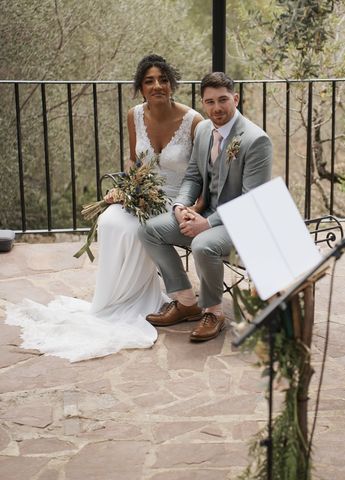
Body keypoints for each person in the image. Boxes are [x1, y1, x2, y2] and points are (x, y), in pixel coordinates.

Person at [6, 54, 203, 362]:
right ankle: (112, 300)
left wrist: (190, 205)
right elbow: (135, 162)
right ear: (140, 87)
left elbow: (200, 173)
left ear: (172, 84)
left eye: (163, 80)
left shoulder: (194, 121)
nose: (157, 86)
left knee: (140, 229)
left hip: (177, 199)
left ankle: (143, 298)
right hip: (142, 192)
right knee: (112, 220)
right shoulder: (134, 115)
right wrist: (124, 188)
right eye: (149, 81)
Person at [140, 72, 272, 343]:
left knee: (203, 244)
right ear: (203, 103)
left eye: (223, 100)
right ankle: (186, 301)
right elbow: (193, 176)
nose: (217, 108)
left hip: (243, 223)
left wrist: (207, 224)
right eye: (210, 102)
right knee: (149, 230)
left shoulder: (255, 140)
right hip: (206, 214)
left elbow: (251, 201)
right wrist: (180, 206)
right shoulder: (202, 130)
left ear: (235, 98)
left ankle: (213, 312)